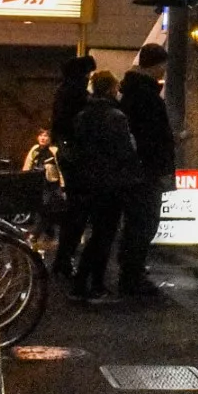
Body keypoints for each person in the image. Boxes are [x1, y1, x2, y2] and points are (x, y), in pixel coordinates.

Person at [60, 70, 141, 304]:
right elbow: (125, 151)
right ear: (110, 89)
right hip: (111, 182)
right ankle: (90, 284)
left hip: (88, 181)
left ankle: (88, 283)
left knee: (96, 233)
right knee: (104, 235)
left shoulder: (83, 115)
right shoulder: (116, 116)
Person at [117, 44, 176, 301]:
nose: (164, 70)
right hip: (145, 170)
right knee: (144, 222)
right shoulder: (146, 96)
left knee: (136, 223)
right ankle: (132, 276)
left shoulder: (131, 92)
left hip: (135, 169)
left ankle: (131, 273)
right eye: (162, 65)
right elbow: (151, 136)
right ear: (156, 65)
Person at [49, 54, 96, 281]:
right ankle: (65, 259)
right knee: (78, 209)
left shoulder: (63, 92)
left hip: (69, 156)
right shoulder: (76, 95)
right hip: (79, 157)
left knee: (75, 209)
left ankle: (63, 259)